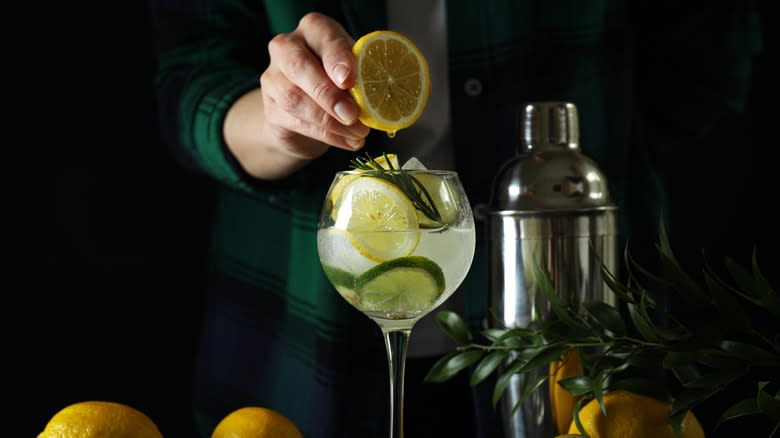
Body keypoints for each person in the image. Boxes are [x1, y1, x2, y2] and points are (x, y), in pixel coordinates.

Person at [148, 1, 761, 436]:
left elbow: (707, 46)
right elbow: (193, 76)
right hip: (306, 344)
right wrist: (282, 126)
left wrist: (598, 149)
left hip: (575, 325)